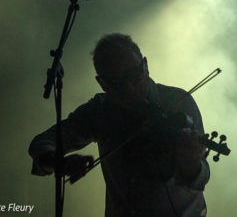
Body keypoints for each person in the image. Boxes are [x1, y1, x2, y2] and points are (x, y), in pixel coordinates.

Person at [28, 33, 210, 217]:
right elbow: (42, 142)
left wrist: (191, 161)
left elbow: (199, 179)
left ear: (145, 66)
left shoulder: (179, 101)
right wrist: (59, 163)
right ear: (102, 83)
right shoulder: (101, 110)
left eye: (134, 76)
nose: (129, 88)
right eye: (117, 83)